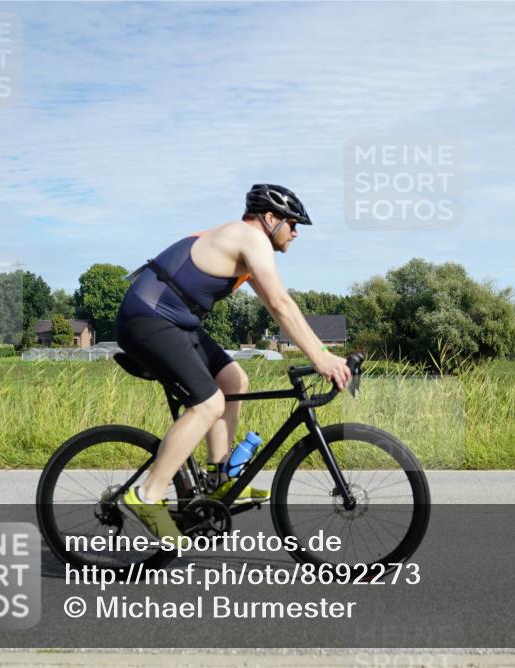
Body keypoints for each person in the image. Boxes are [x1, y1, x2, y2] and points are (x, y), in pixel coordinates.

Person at [114, 184, 352, 540]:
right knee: (207, 404)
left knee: (233, 380)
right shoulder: (251, 238)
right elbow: (281, 305)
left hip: (174, 321)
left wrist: (322, 353)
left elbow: (280, 305)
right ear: (269, 218)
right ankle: (147, 494)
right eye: (292, 224)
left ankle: (220, 478)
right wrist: (321, 357)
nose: (296, 232)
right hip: (148, 319)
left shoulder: (246, 245)